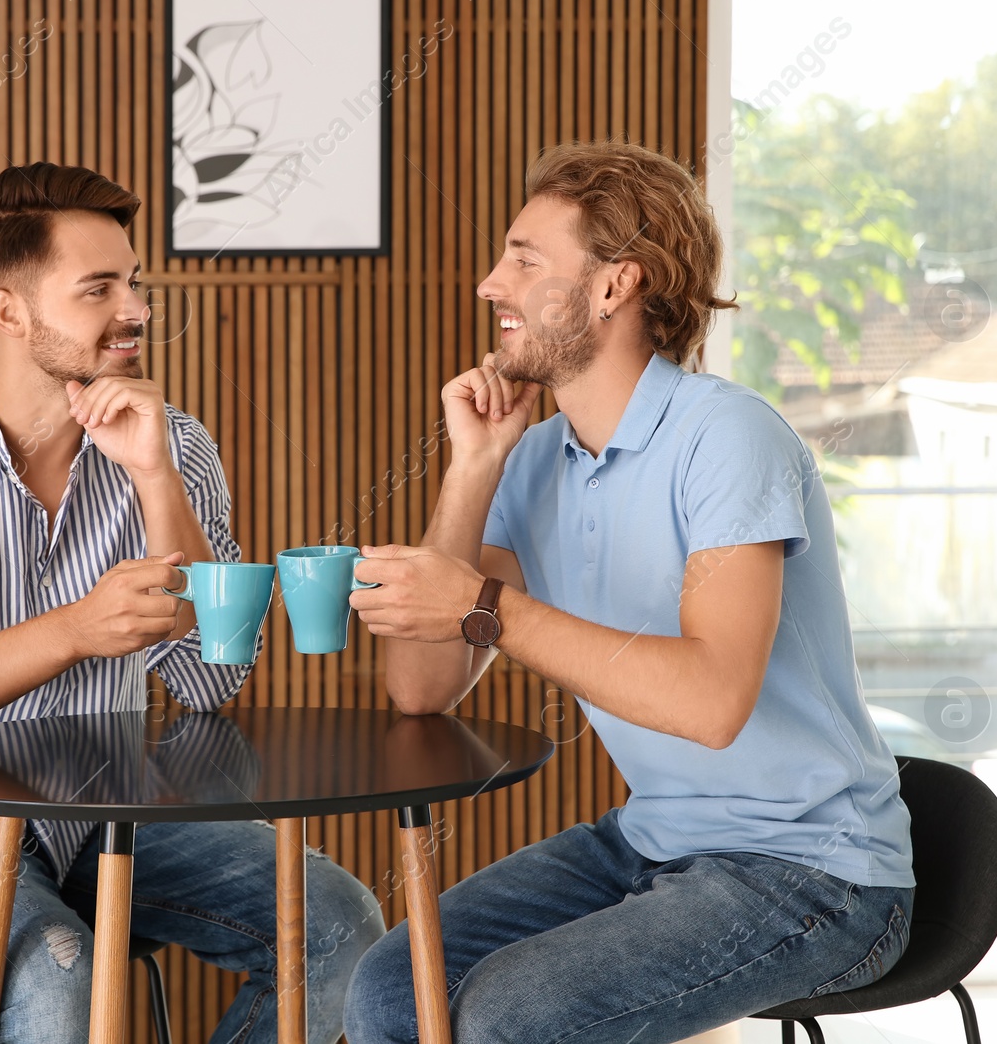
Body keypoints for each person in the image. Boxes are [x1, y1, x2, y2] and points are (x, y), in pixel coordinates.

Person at [343, 140, 915, 1043]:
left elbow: (713, 700)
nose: (492, 284)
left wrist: (491, 608)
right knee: (387, 986)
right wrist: (473, 471)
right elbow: (421, 687)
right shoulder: (535, 460)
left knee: (511, 1013)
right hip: (653, 841)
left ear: (616, 286)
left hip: (815, 871)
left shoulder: (726, 438)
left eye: (525, 259)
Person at [0, 162, 381, 1044]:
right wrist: (73, 631)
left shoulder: (172, 445)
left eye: (135, 281)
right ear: (9, 311)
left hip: (93, 820)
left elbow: (209, 677)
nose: (137, 309)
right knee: (53, 969)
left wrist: (155, 477)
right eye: (99, 288)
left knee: (340, 921)